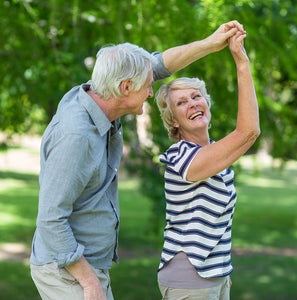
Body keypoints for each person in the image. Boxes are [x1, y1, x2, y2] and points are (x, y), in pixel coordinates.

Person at [30, 21, 246, 300]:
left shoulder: (99, 95)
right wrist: (89, 282)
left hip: (87, 265)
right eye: (146, 85)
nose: (150, 90)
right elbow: (50, 219)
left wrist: (209, 43)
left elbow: (158, 65)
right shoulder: (77, 136)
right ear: (126, 87)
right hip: (66, 269)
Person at [155, 30, 260, 299]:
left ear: (207, 104)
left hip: (215, 276)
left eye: (196, 96)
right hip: (189, 280)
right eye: (181, 102)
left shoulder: (214, 154)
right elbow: (248, 131)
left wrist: (222, 273)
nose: (192, 104)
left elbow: (216, 224)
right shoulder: (179, 156)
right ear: (174, 120)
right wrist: (241, 62)